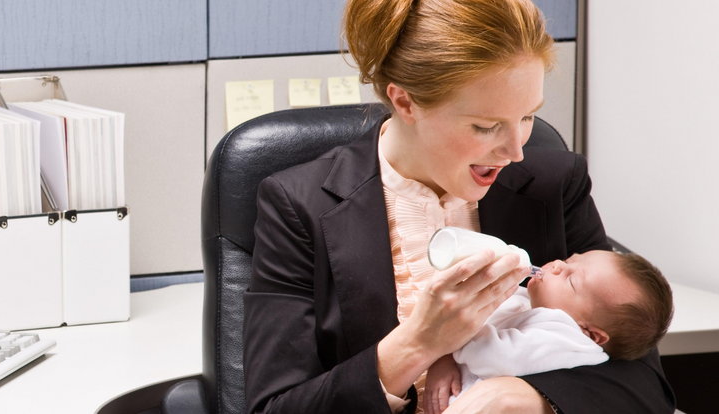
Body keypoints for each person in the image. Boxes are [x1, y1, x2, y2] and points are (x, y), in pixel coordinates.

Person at [243, 0, 676, 412]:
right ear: (405, 101)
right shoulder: (298, 206)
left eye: (527, 117)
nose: (515, 151)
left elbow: (644, 384)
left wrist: (527, 397)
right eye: (486, 126)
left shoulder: (554, 185)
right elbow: (277, 407)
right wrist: (419, 342)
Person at [424, 250, 674, 413]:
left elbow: (493, 357)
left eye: (571, 280)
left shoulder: (564, 337)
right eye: (568, 261)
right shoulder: (531, 301)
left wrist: (449, 343)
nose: (555, 266)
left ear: (590, 333)